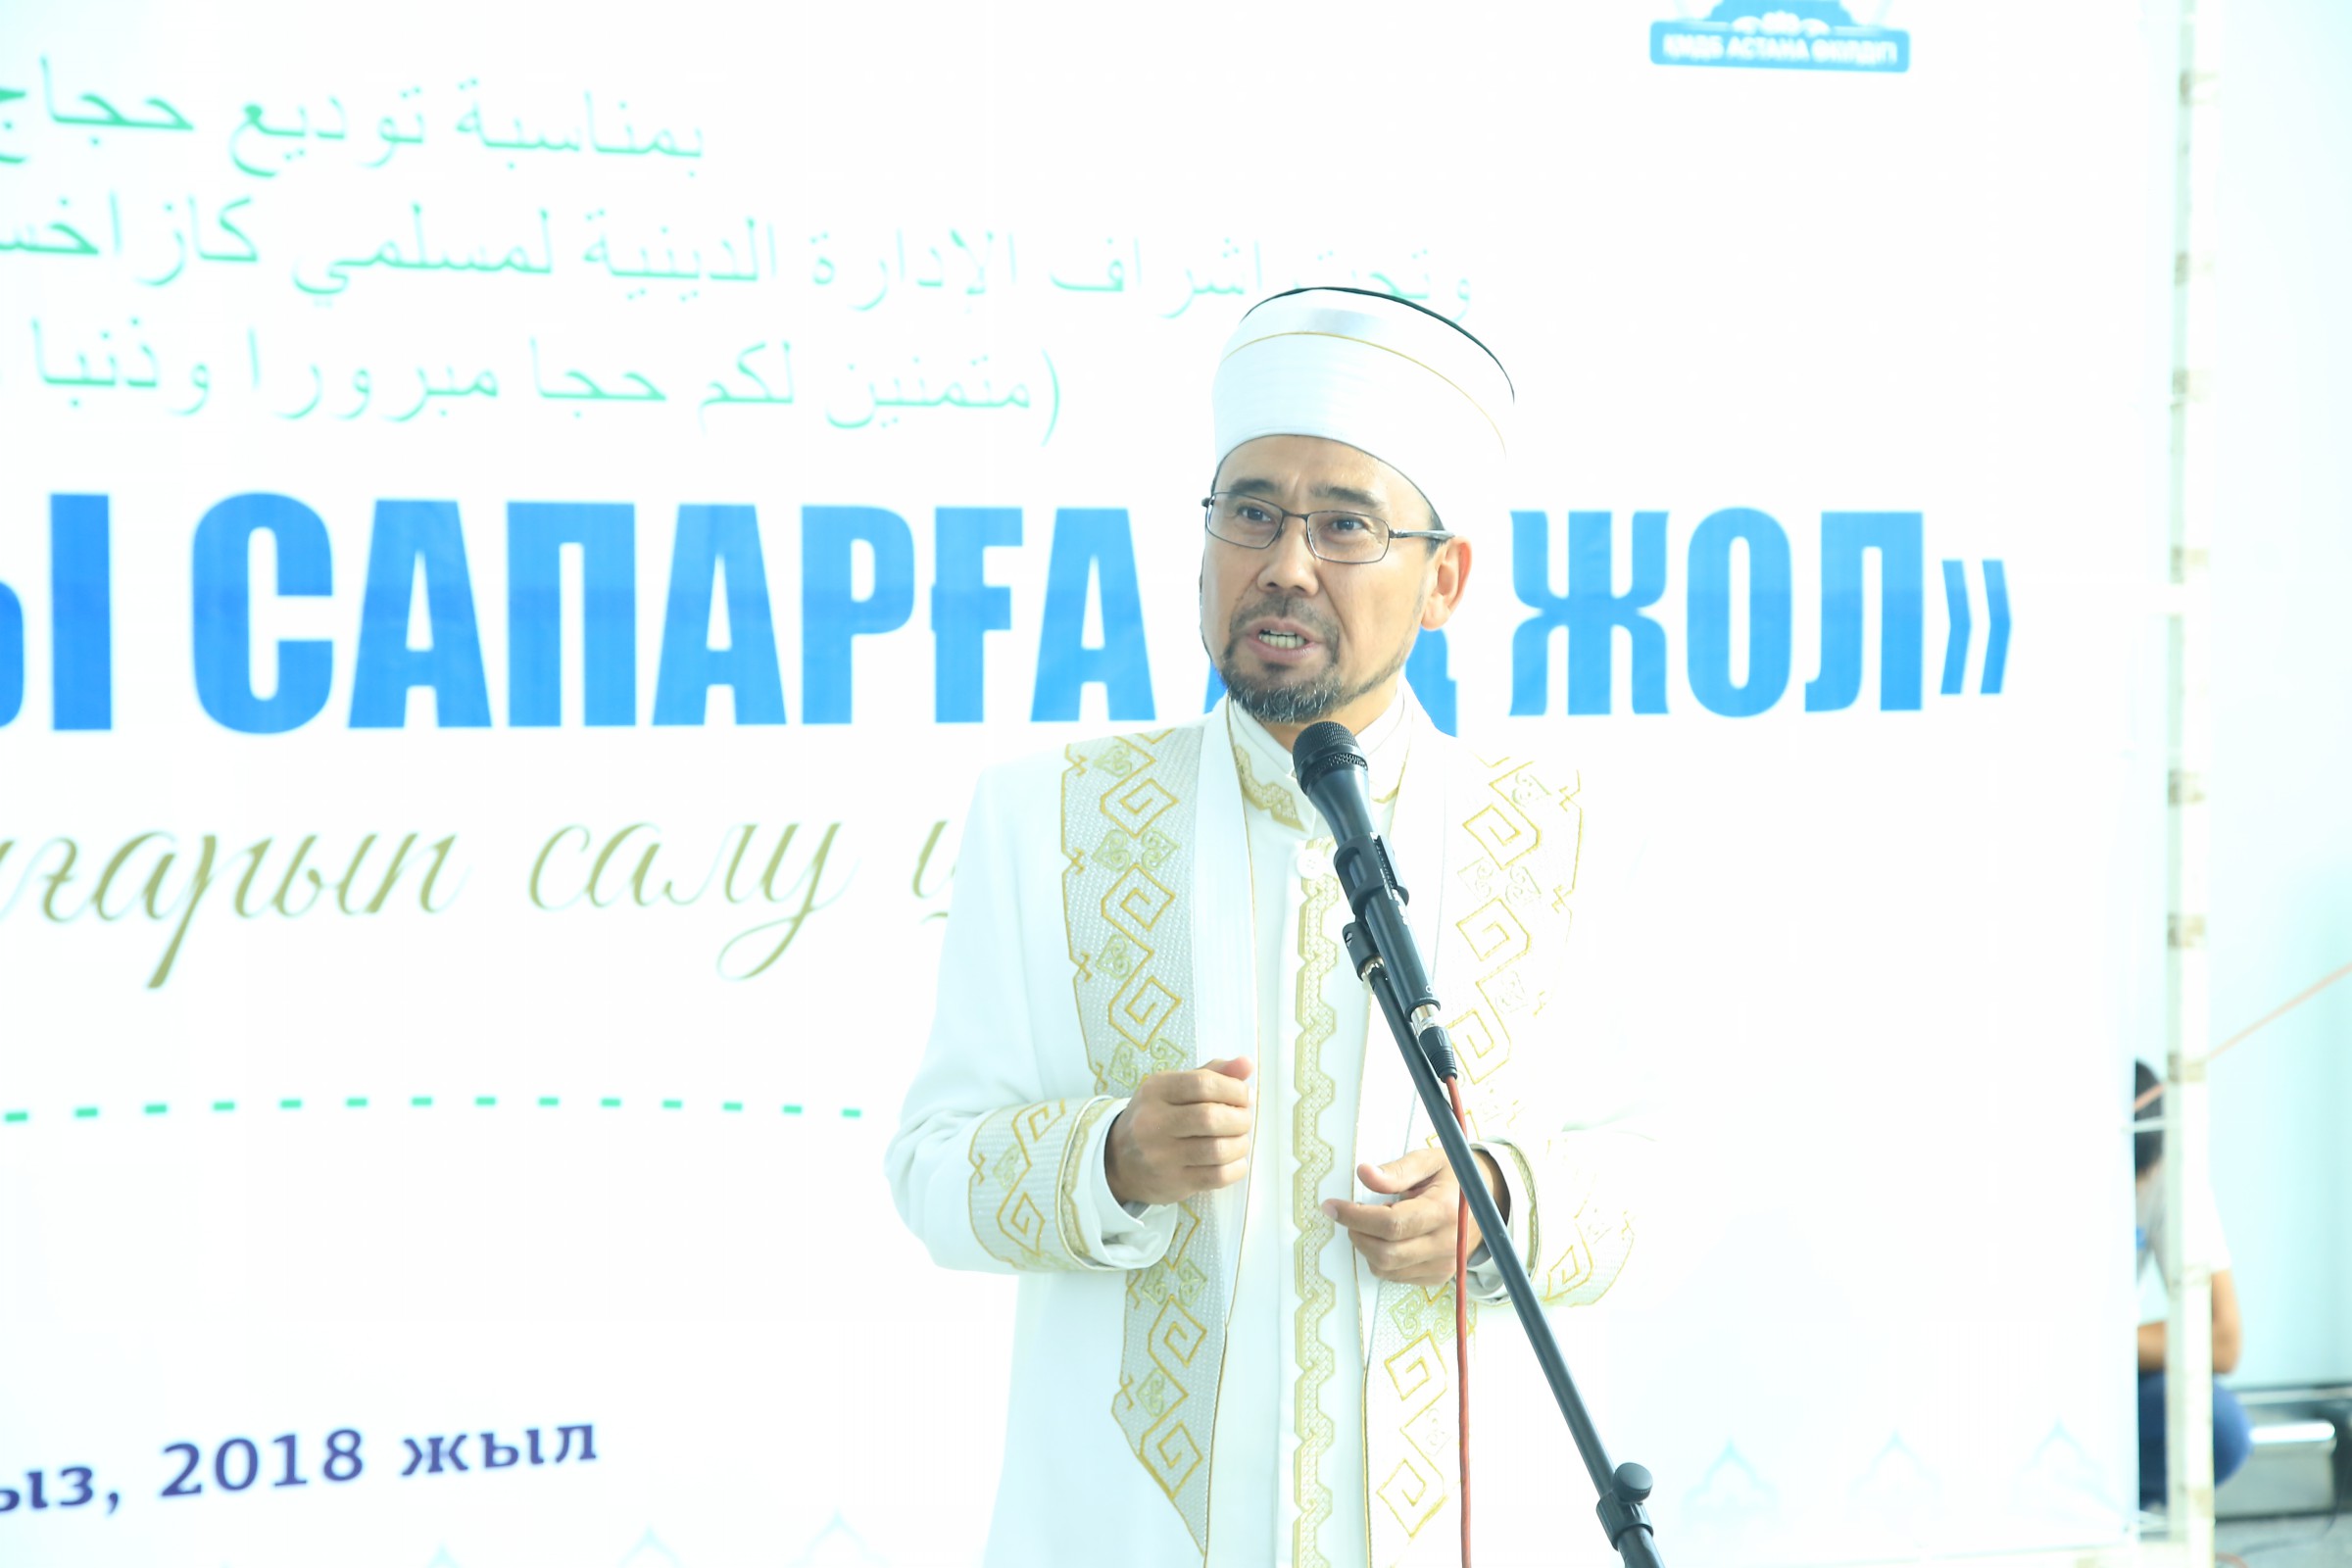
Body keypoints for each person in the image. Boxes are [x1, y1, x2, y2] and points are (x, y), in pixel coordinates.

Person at [886, 287, 1648, 1568]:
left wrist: (1502, 1203)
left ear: (1444, 581)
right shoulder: (1048, 815)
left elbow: (1652, 1182)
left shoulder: (1562, 830)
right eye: (1250, 514)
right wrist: (1109, 1158)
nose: (1286, 564)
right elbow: (930, 1170)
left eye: (1344, 524)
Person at [2132, 1060, 2251, 1509]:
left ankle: (2113, 1504)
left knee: (2219, 1428)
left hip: (2111, 1370)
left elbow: (2223, 1340)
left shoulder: (2163, 1168)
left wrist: (2094, 1347)